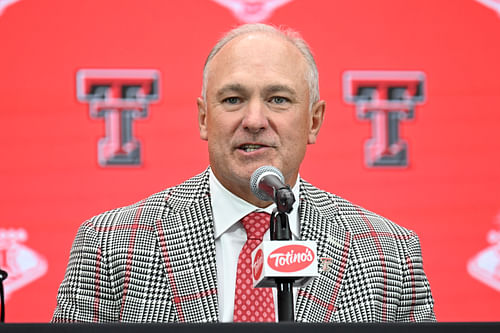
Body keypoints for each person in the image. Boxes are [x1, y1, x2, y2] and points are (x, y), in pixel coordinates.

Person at [52, 23, 435, 323]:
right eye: (233, 99)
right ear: (204, 118)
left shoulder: (389, 253)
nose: (253, 120)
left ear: (313, 121)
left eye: (278, 99)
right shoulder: (109, 244)